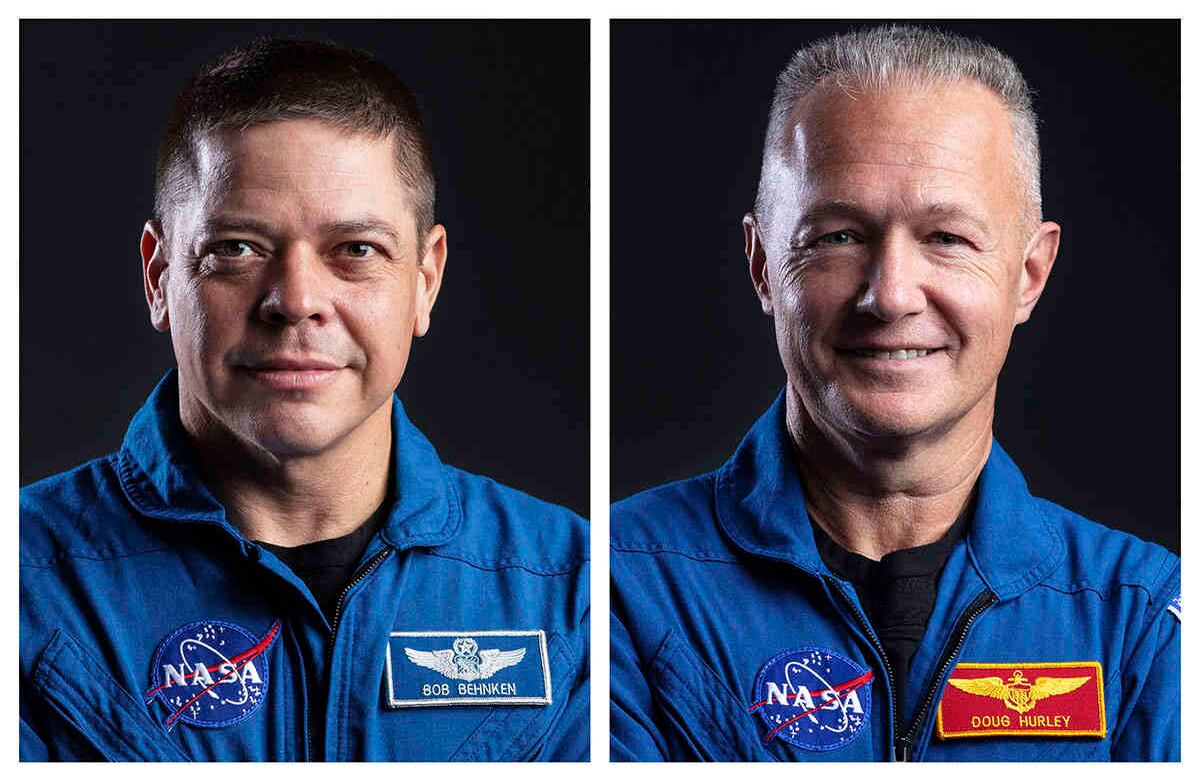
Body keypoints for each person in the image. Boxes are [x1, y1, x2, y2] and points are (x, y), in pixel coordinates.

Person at [610, 25, 1178, 762]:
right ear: (761, 266)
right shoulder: (620, 586)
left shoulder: (1142, 619)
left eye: (947, 237)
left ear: (1028, 274)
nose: (890, 295)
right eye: (839, 236)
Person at [20, 38, 588, 762]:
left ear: (425, 279)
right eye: (236, 248)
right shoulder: (26, 586)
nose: (294, 301)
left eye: (355, 249)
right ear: (160, 276)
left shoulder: (573, 593)